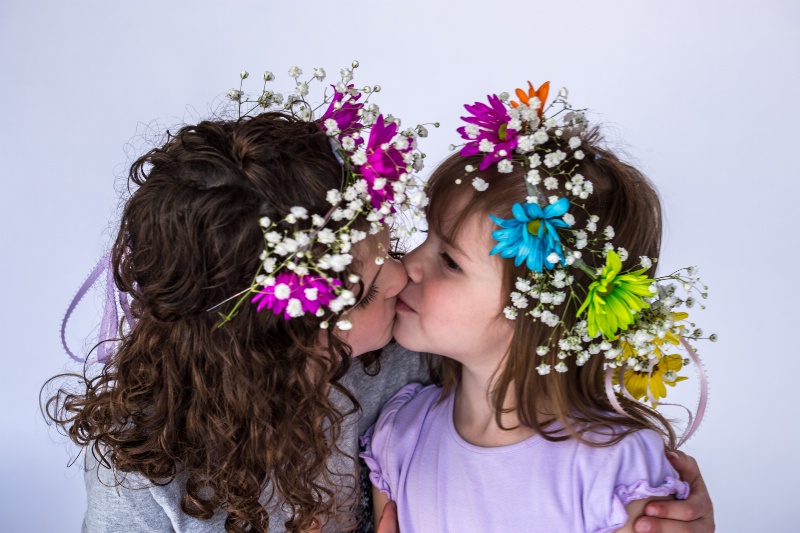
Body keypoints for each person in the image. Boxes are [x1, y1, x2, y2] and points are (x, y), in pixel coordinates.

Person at [44, 69, 713, 533]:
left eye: (392, 243)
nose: (400, 276)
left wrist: (679, 509)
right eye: (366, 280)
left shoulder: (400, 370)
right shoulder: (144, 476)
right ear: (291, 334)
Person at [362, 82, 715, 532]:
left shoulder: (611, 469)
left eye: (449, 261)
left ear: (541, 311)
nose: (407, 265)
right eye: (423, 240)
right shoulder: (400, 435)